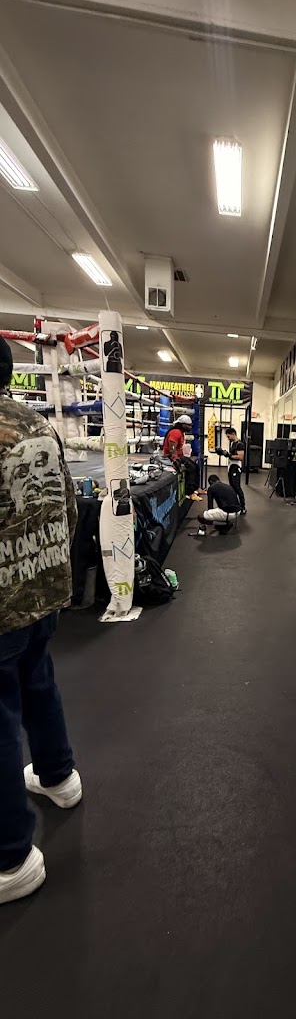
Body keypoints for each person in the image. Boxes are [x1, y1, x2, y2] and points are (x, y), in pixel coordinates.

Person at [0, 336, 81, 906]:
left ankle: (11, 858)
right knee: (38, 682)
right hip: (44, 588)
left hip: (3, 601)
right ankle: (58, 777)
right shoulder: (38, 425)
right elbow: (69, 508)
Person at [162, 415, 199, 496]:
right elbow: (172, 448)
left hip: (178, 455)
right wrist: (175, 459)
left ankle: (195, 488)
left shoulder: (181, 433)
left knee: (195, 466)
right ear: (183, 425)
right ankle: (189, 492)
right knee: (191, 468)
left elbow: (178, 448)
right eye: (188, 425)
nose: (190, 427)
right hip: (169, 456)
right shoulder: (176, 432)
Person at [216, 427, 246, 514]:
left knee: (237, 487)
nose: (228, 438)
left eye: (228, 436)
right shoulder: (233, 443)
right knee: (232, 487)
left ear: (233, 434)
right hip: (231, 466)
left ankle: (243, 507)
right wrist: (223, 452)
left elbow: (240, 457)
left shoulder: (240, 444)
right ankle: (234, 505)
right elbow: (231, 455)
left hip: (236, 467)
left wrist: (228, 455)